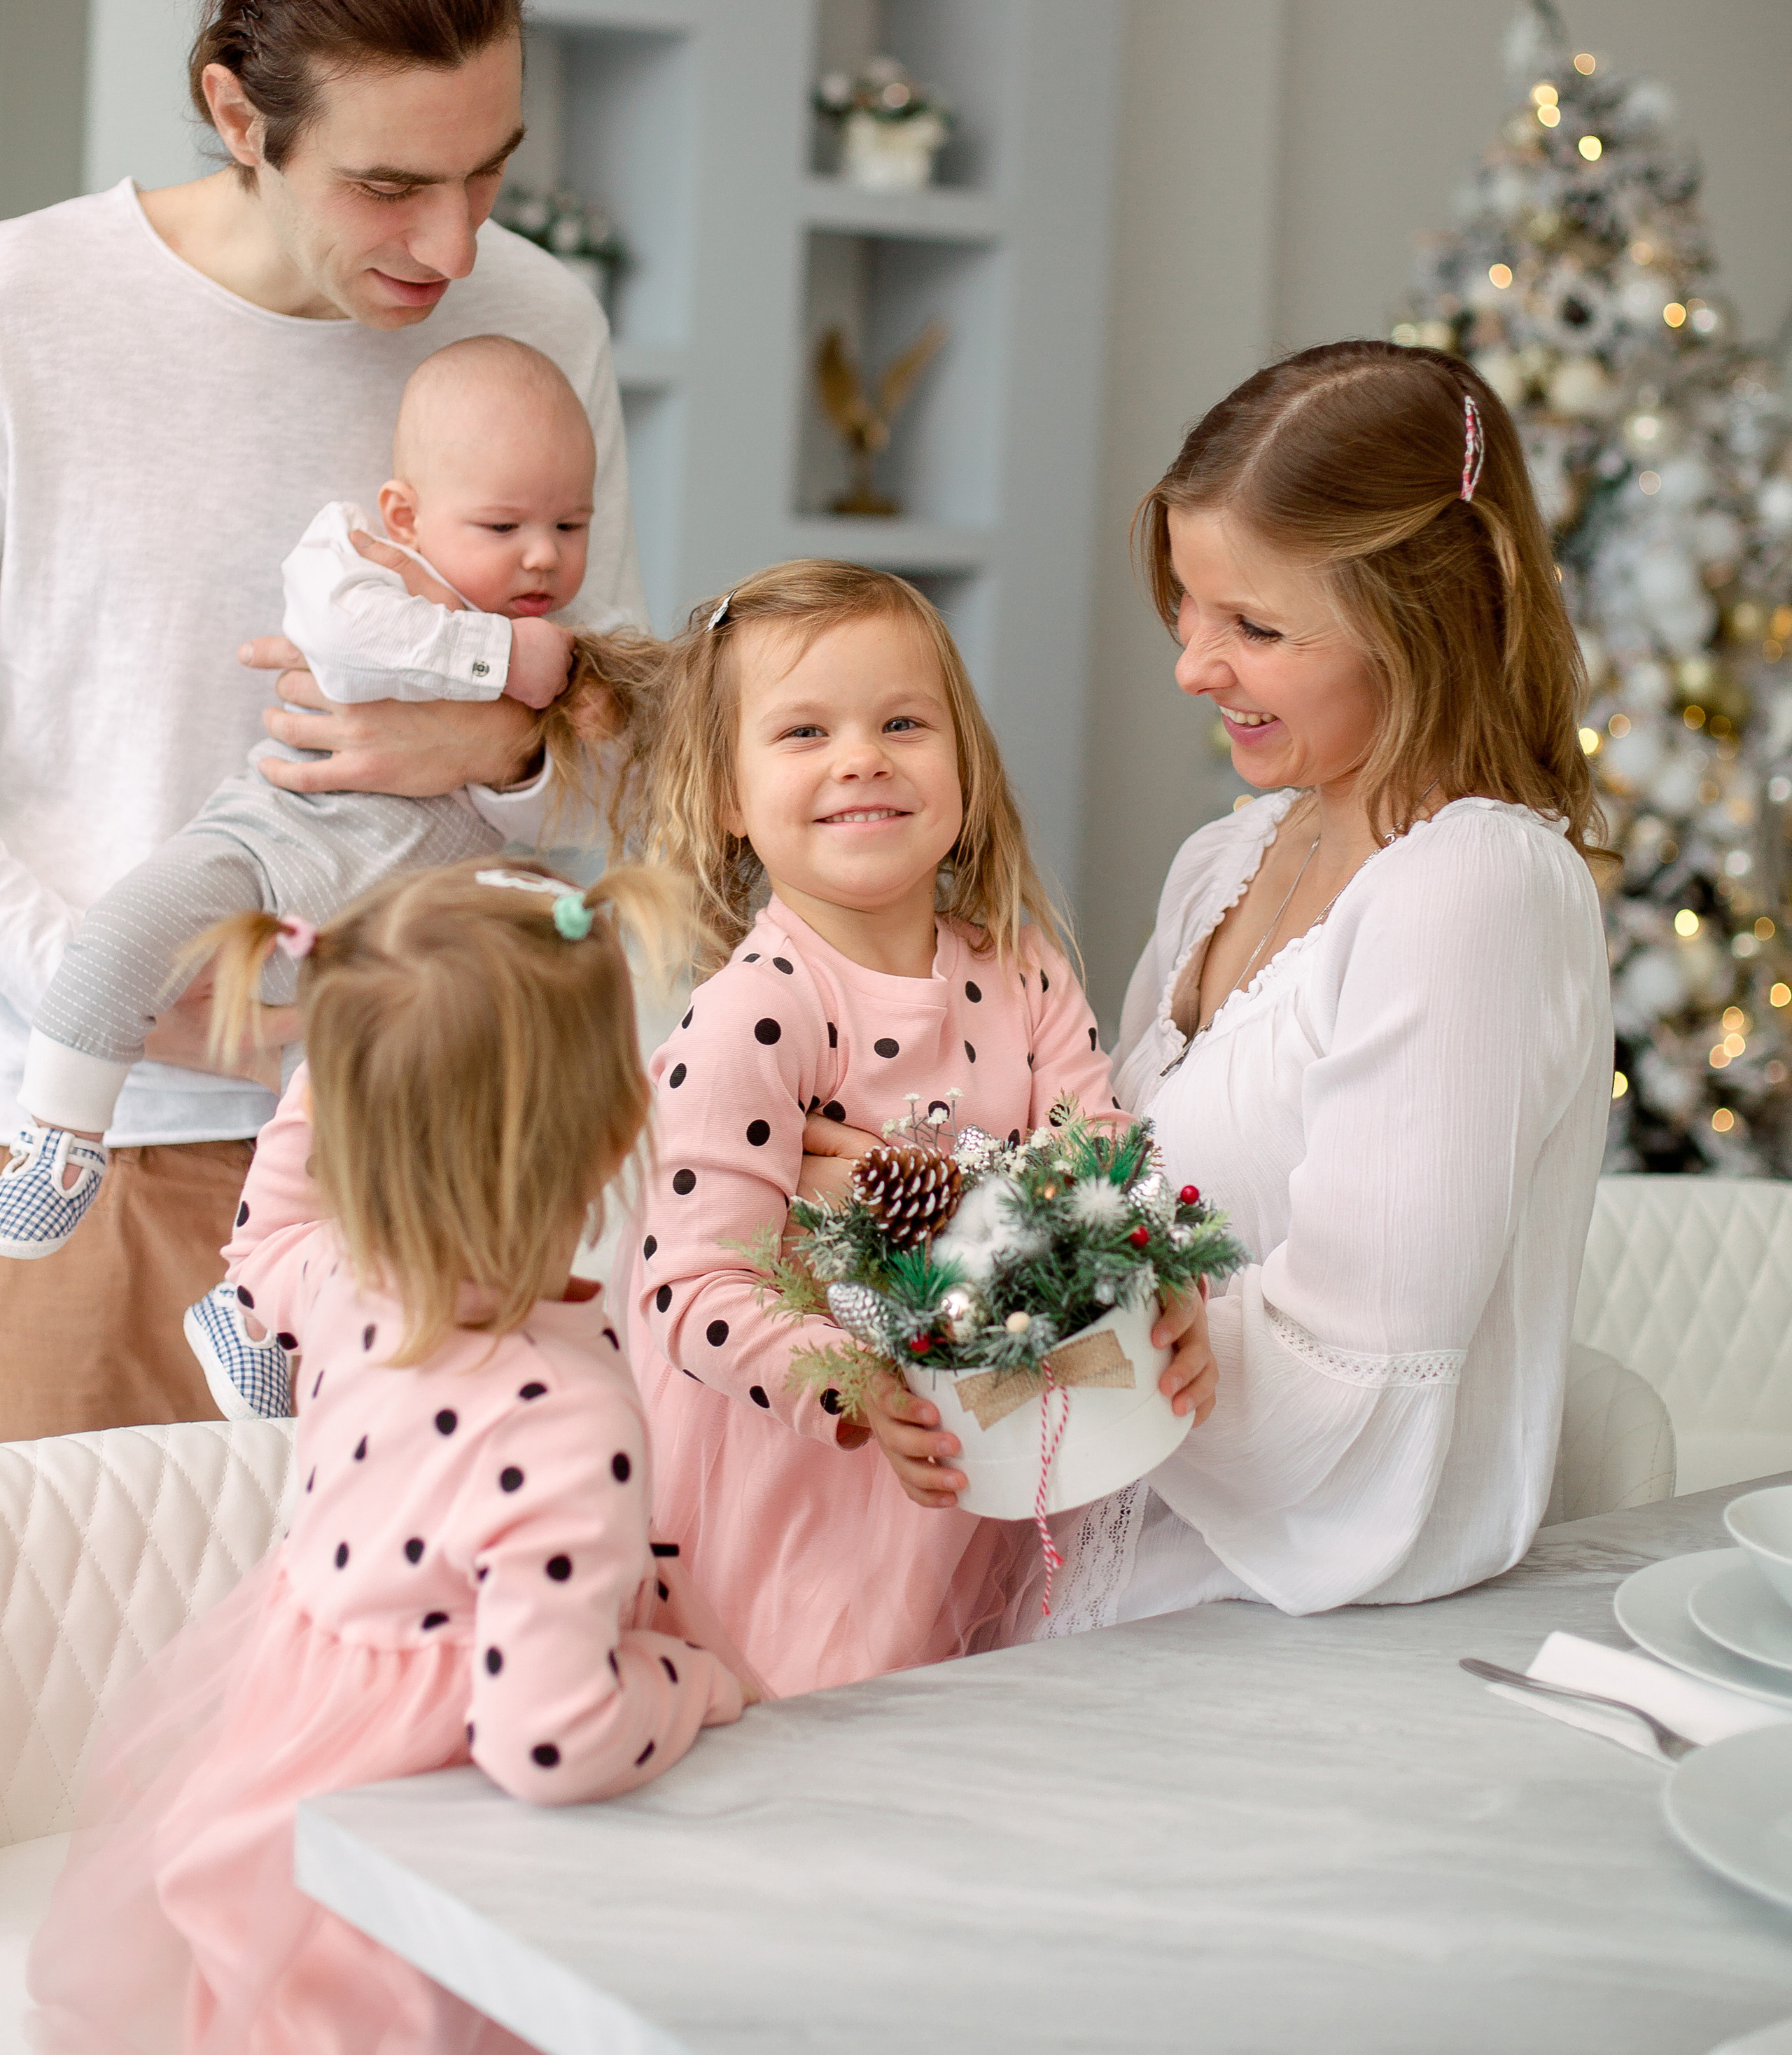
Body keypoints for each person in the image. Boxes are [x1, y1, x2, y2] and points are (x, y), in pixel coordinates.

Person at [0, 0, 643, 1437]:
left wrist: (493, 752)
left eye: (489, 174)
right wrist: (128, 999)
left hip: (444, 1160)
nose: (449, 240)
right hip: (97, 1141)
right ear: (238, 112)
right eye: (387, 185)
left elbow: (622, 743)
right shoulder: (26, 316)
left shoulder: (536, 323)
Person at [26, 858, 751, 2054]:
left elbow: (274, 1228)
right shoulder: (565, 1422)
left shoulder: (345, 1288)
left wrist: (342, 1051)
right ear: (627, 1121)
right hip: (419, 1876)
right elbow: (550, 1740)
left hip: (278, 1807)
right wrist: (696, 1686)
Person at [1007, 337, 1614, 1630]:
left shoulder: (1475, 895)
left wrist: (1051, 1332)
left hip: (1272, 1646)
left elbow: (1358, 1388)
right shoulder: (1225, 860)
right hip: (1094, 1591)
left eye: (1256, 627)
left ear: (1425, 616)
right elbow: (1105, 1206)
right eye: (1186, 605)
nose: (1191, 666)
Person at [5, 335, 645, 1419]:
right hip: (273, 848)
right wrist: (506, 671)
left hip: (384, 936)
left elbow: (618, 769)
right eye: (504, 529)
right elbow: (346, 639)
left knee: (346, 1132)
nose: (541, 559)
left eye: (568, 529)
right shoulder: (363, 560)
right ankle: (55, 1138)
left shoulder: (558, 628)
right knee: (129, 933)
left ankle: (251, 1310)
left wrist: (505, 746)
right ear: (405, 514)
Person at [618, 562, 1217, 1697]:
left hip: (975, 1461)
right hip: (799, 1473)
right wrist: (851, 1383)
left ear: (965, 766)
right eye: (803, 732)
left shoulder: (1022, 967)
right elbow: (689, 1287)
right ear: (730, 798)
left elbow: (1099, 1158)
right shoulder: (757, 1010)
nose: (862, 758)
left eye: (903, 722)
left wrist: (1161, 1279)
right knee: (804, 1745)